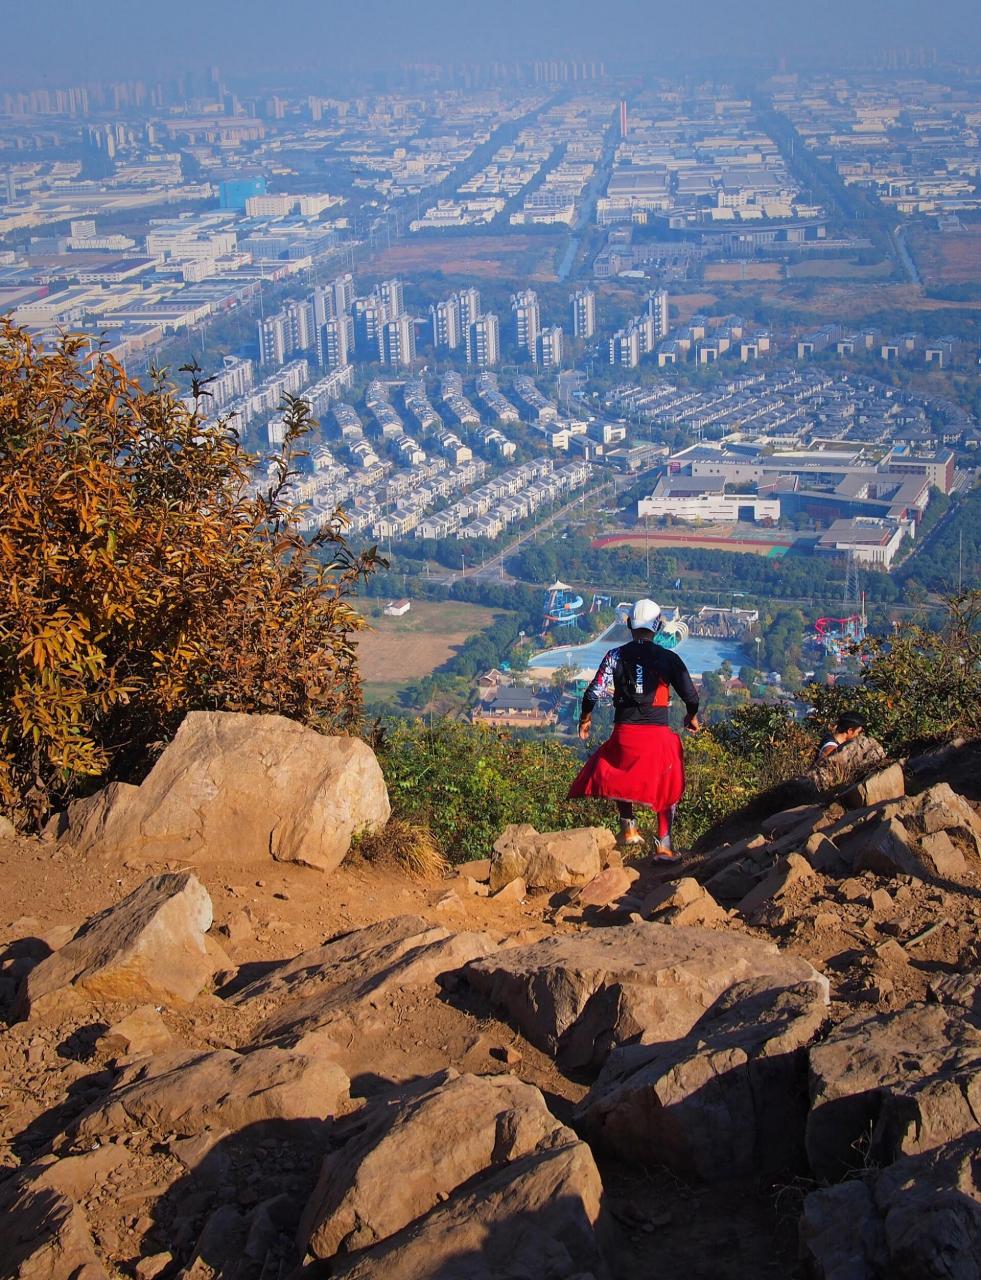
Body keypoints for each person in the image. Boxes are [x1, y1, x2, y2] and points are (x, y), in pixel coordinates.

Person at [568, 598, 701, 862]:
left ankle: (628, 827)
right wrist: (691, 716)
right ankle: (664, 844)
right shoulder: (669, 658)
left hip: (624, 734)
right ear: (658, 625)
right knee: (668, 780)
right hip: (657, 736)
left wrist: (585, 718)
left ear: (628, 623)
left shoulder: (615, 656)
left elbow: (592, 692)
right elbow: (691, 696)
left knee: (615, 767)